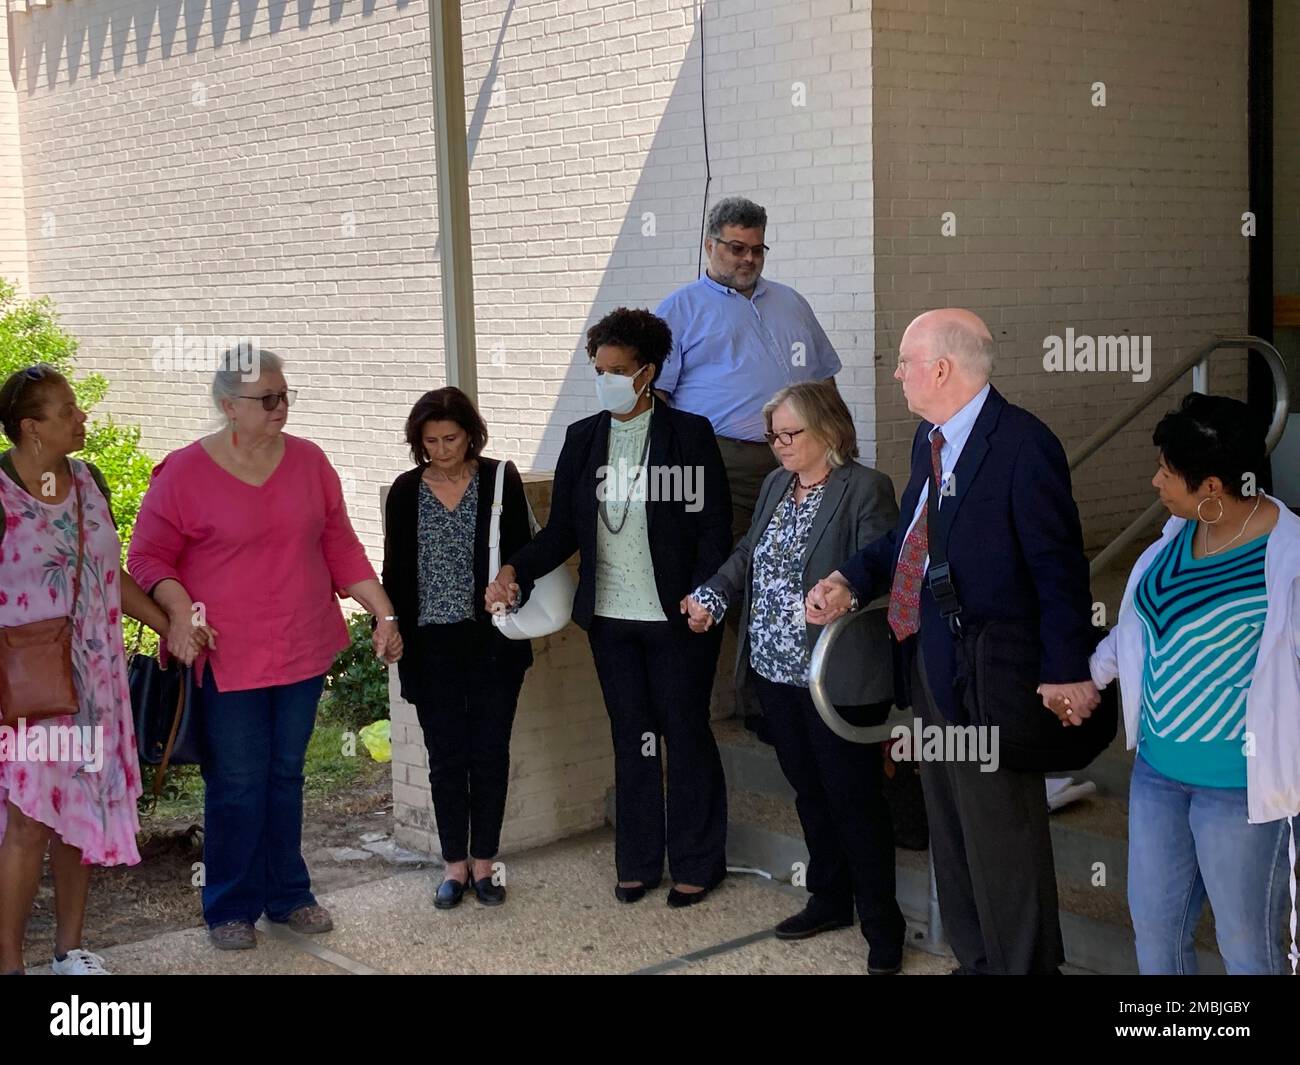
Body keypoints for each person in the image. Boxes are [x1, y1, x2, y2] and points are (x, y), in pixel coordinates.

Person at [806, 309, 1097, 975]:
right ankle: (978, 960)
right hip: (932, 665)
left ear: (942, 368)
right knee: (954, 830)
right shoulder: (929, 439)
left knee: (1003, 836)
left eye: (906, 361)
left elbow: (1060, 570)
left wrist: (1065, 669)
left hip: (995, 675)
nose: (898, 371)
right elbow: (912, 536)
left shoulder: (1024, 445)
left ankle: (1022, 966)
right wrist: (851, 579)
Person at [127, 347, 402, 951]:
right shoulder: (184, 473)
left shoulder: (309, 462)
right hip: (228, 657)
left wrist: (382, 611)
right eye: (267, 399)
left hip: (302, 649)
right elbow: (147, 558)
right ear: (228, 406)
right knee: (237, 782)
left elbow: (342, 549)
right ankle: (229, 905)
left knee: (285, 775)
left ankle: (290, 894)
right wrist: (178, 610)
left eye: (285, 396)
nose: (281, 407)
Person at [486, 308, 732, 907]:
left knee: (685, 732)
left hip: (678, 617)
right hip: (611, 619)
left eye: (618, 370)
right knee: (633, 736)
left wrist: (707, 595)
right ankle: (640, 860)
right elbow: (564, 530)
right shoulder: (583, 437)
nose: (606, 380)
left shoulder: (689, 434)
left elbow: (713, 531)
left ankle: (698, 860)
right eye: (599, 369)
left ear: (648, 372)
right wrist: (515, 568)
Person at [684, 381, 907, 974]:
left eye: (790, 434)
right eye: (773, 435)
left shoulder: (866, 488)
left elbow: (884, 570)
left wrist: (845, 593)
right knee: (810, 792)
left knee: (854, 799)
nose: (779, 446)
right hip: (775, 670)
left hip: (836, 677)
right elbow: (749, 553)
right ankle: (830, 899)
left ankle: (884, 924)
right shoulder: (777, 485)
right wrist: (713, 592)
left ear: (828, 431)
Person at [1082, 393, 1300, 975]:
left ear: (1211, 485)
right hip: (1157, 777)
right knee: (1155, 936)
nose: (1155, 482)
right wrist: (1088, 679)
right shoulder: (1177, 534)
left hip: (1239, 790)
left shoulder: (1290, 558)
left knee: (1247, 948)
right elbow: (1142, 629)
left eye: (1167, 472)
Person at [0, 365, 172, 976]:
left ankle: (70, 950)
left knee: (81, 811)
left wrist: (165, 624)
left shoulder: (89, 481)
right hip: (25, 686)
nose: (82, 418)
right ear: (31, 427)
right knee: (26, 819)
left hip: (94, 681)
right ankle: (8, 963)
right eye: (67, 410)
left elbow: (108, 576)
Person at [382, 387, 534, 910]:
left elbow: (521, 552)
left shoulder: (499, 479)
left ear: (470, 433)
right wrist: (390, 625)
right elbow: (395, 571)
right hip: (430, 646)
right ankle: (453, 865)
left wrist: (511, 582)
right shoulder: (405, 491)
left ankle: (487, 864)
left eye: (450, 438)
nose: (442, 449)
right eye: (430, 441)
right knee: (446, 758)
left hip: (491, 641)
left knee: (490, 752)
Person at [655, 195, 841, 543]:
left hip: (805, 454)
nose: (750, 259)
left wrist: (839, 438)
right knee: (731, 553)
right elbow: (657, 397)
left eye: (758, 249)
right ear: (710, 245)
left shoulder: (791, 301)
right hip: (723, 460)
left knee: (806, 549)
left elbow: (824, 377)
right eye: (737, 248)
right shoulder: (680, 309)